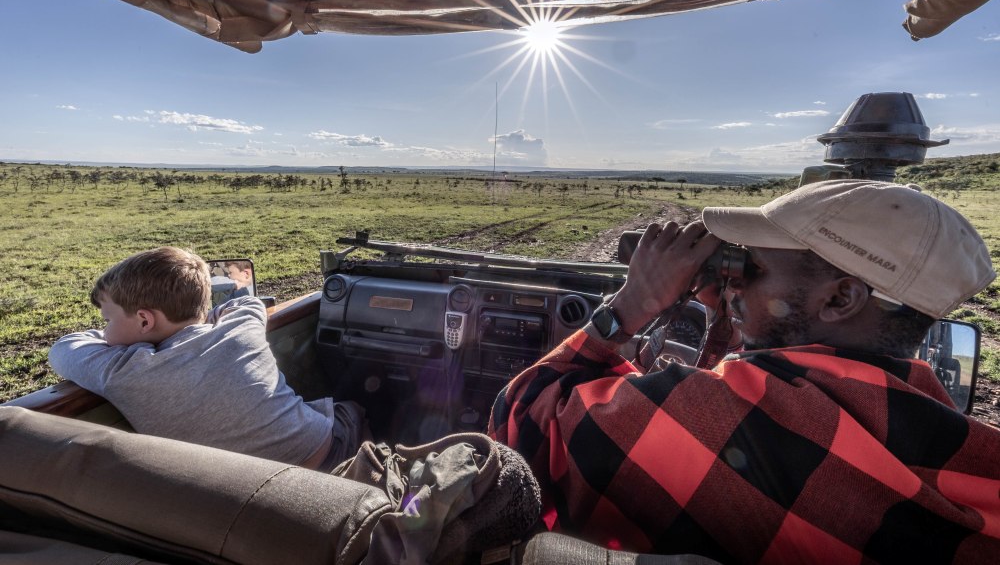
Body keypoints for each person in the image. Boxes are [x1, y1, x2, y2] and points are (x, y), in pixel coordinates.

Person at [489, 180, 1000, 563]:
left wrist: (631, 305)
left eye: (751, 268)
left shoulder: (709, 415)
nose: (734, 283)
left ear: (840, 298)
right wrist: (736, 326)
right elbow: (756, 397)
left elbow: (521, 423)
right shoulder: (954, 441)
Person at [49, 246, 364, 471]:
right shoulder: (239, 328)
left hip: (251, 489)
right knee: (354, 408)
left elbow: (64, 347)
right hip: (329, 451)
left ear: (144, 320)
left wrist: (126, 341)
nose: (105, 331)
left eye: (107, 320)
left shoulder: (124, 370)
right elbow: (248, 304)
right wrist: (202, 321)